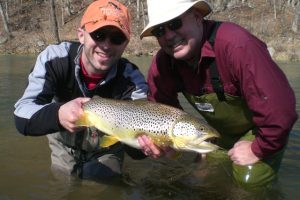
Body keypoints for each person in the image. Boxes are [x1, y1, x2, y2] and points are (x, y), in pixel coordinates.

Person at [138, 0, 298, 189]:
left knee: (248, 181)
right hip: (215, 133)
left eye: (174, 24)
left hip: (261, 132)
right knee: (199, 182)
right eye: (159, 31)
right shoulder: (164, 64)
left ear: (197, 17)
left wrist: (258, 149)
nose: (169, 35)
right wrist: (160, 143)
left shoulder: (237, 46)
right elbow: (158, 111)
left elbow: (281, 112)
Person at [14, 0, 148, 181]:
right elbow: (22, 115)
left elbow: (137, 153)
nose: (106, 45)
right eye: (99, 35)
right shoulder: (54, 58)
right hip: (63, 145)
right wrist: (58, 114)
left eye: (116, 38)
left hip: (106, 149)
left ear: (126, 43)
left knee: (102, 186)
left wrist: (148, 146)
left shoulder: (133, 81)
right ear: (81, 35)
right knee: (64, 184)